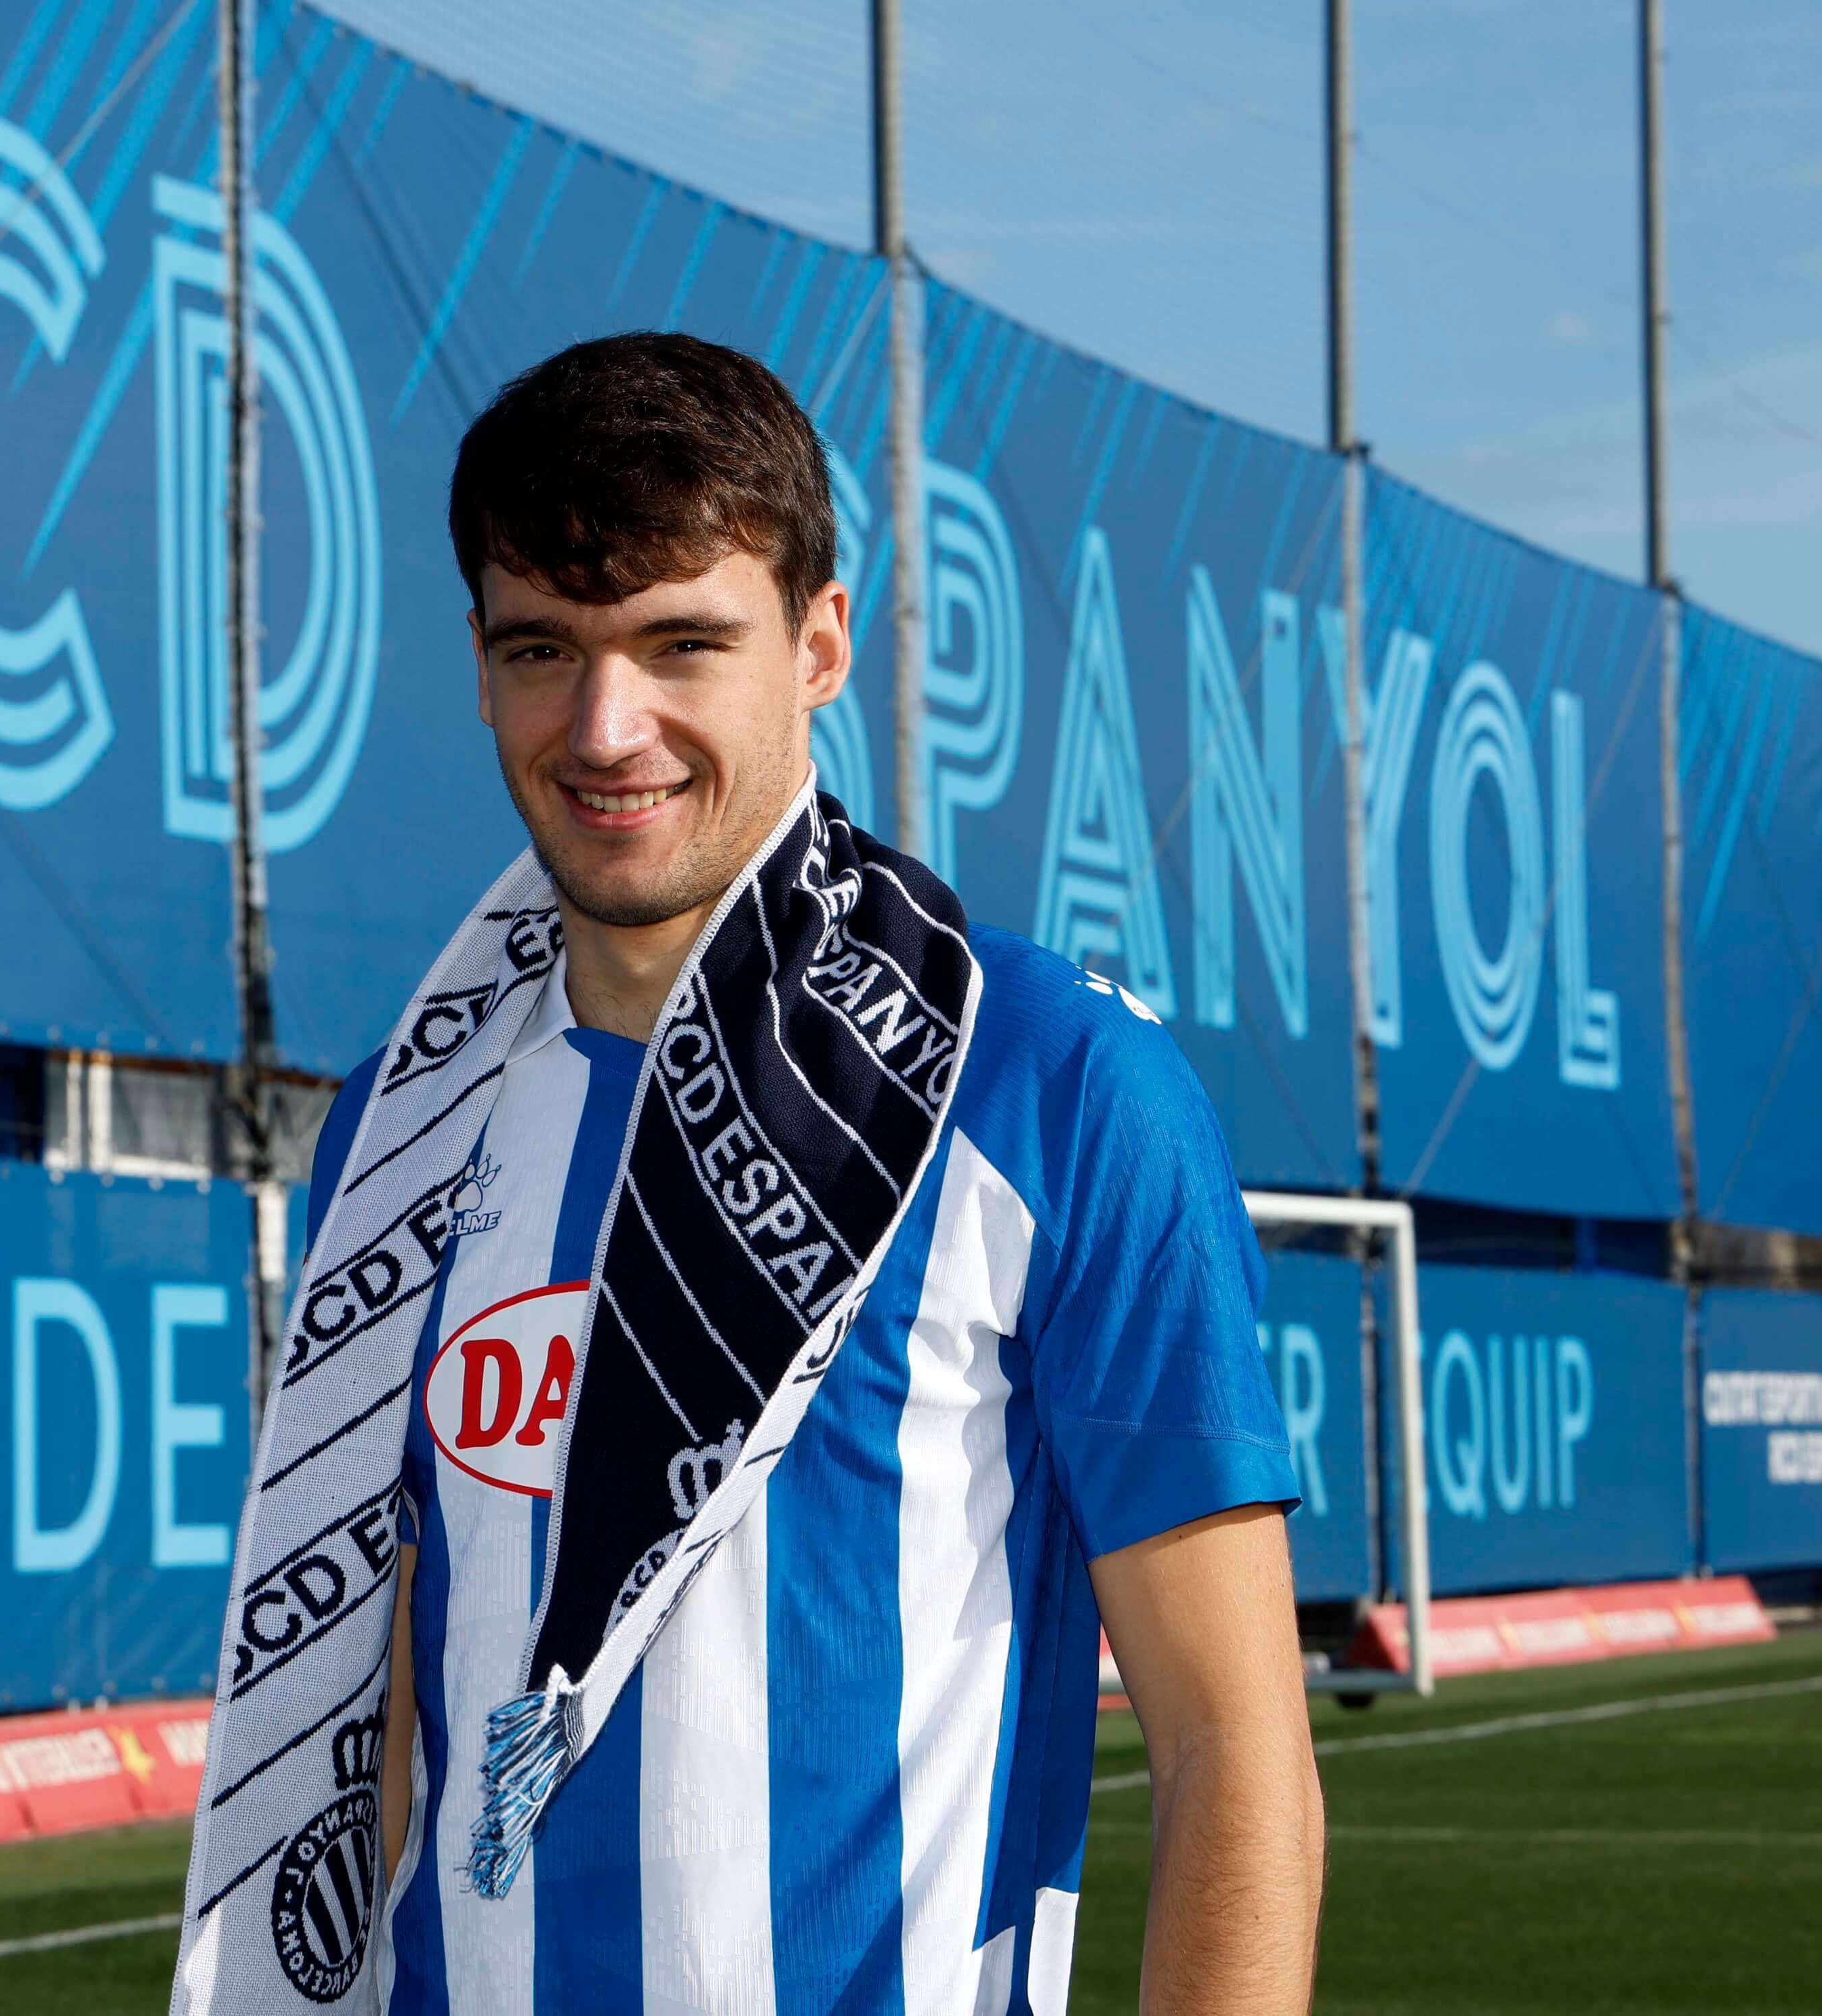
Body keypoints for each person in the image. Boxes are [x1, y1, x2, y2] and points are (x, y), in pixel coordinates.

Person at [173, 333, 1322, 2016]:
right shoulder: (400, 1128)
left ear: (821, 642)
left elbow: (1235, 1756)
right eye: (540, 649)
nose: (603, 722)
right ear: (479, 668)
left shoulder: (1052, 1083)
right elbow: (374, 1738)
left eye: (679, 643)